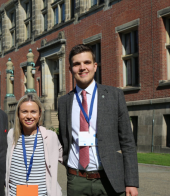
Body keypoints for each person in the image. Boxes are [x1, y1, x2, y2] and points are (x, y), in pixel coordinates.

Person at [58, 44, 139, 196]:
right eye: (77, 64)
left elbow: (128, 142)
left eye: (87, 62)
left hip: (109, 180)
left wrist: (131, 182)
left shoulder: (114, 95)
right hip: (77, 181)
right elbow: (65, 141)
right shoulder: (63, 102)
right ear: (70, 70)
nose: (82, 67)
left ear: (95, 66)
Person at [5, 94, 63, 196]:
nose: (29, 116)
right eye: (24, 111)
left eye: (33, 112)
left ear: (40, 113)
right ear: (18, 113)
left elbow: (67, 159)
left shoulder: (50, 137)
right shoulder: (11, 135)